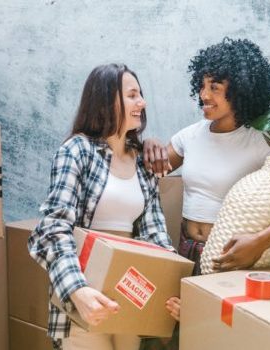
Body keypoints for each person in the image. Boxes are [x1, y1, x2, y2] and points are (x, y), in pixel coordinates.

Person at [142, 38, 270, 322]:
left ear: (242, 90)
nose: (203, 94)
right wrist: (150, 143)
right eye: (202, 85)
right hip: (186, 252)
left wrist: (260, 242)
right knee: (187, 334)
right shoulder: (191, 136)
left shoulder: (264, 141)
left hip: (234, 259)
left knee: (226, 336)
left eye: (214, 87)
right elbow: (148, 170)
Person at [28, 63, 174, 350]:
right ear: (107, 99)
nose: (142, 103)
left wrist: (169, 290)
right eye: (132, 95)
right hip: (85, 292)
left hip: (130, 294)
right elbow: (52, 229)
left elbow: (155, 235)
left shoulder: (142, 161)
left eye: (140, 94)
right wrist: (77, 291)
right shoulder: (77, 152)